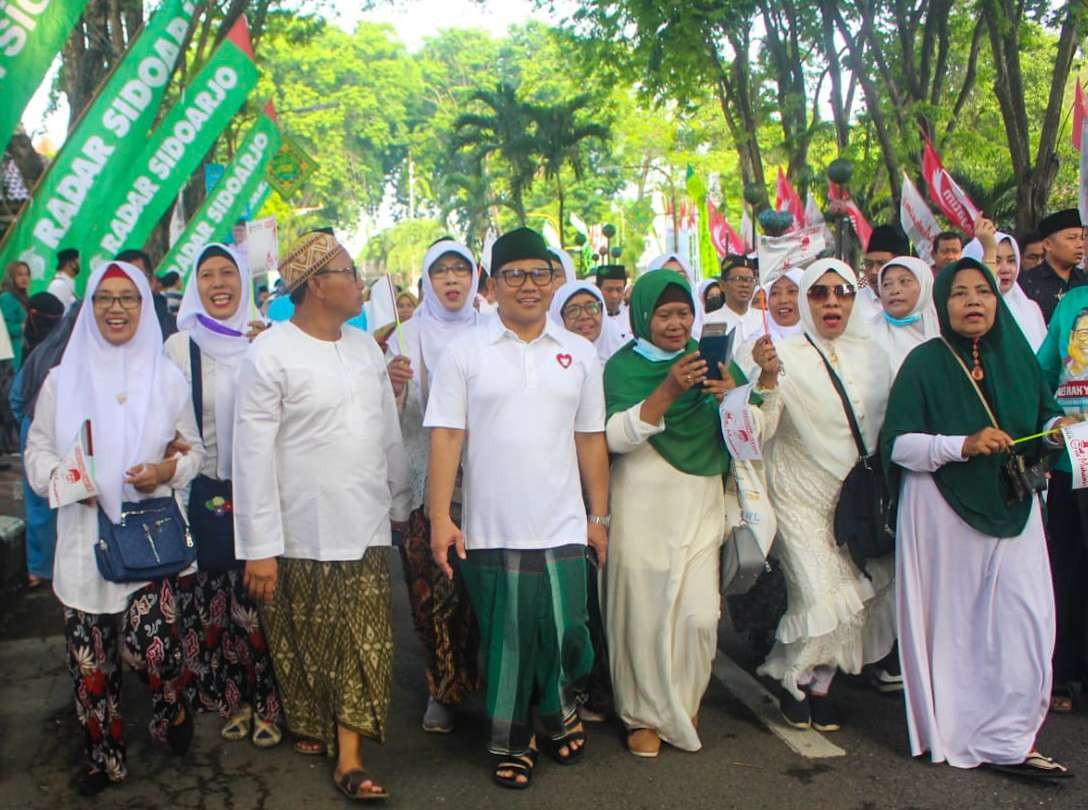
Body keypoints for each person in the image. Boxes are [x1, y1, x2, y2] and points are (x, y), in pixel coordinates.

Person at [424, 227, 609, 789]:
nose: (527, 286)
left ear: (555, 280)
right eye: (513, 275)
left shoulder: (578, 353)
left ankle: (555, 711)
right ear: (494, 284)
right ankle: (510, 735)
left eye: (538, 273)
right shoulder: (465, 352)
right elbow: (447, 437)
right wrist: (439, 518)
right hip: (492, 526)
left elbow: (590, 439)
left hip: (561, 524)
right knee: (507, 638)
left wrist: (597, 518)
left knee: (564, 630)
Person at [232, 230, 409, 801]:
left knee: (367, 641)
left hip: (365, 527)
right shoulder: (270, 352)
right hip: (301, 530)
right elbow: (252, 455)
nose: (361, 284)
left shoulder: (364, 349)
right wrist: (259, 546)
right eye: (350, 274)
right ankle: (324, 729)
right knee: (313, 643)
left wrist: (399, 504)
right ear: (315, 286)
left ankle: (351, 759)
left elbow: (384, 436)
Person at [883, 257, 1072, 778]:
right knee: (958, 629)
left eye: (982, 291)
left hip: (1014, 503)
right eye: (959, 293)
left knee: (1024, 620)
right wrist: (960, 445)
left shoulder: (1017, 358)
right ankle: (963, 731)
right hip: (943, 512)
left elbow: (1042, 412)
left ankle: (1011, 736)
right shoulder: (924, 363)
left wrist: (1058, 425)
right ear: (942, 304)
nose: (973, 301)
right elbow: (898, 444)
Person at [24, 262, 205, 796]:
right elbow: (36, 450)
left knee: (156, 649)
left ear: (145, 307)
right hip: (85, 540)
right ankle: (104, 758)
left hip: (151, 539)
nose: (117, 308)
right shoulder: (62, 380)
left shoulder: (166, 378)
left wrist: (165, 471)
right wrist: (62, 479)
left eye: (128, 298)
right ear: (90, 307)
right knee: (91, 663)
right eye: (105, 298)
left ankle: (169, 704)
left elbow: (193, 450)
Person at [601, 269, 742, 757]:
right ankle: (642, 714)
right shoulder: (622, 367)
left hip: (702, 501)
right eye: (663, 314)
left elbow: (753, 430)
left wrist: (737, 395)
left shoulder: (710, 361)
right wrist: (667, 390)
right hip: (641, 505)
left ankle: (682, 701)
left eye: (684, 313)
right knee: (642, 611)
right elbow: (614, 437)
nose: (676, 324)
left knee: (701, 617)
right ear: (643, 316)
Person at [755, 258, 896, 730]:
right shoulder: (783, 353)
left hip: (855, 502)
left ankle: (819, 684)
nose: (831, 302)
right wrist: (767, 380)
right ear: (804, 300)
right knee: (819, 595)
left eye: (842, 292)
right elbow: (760, 428)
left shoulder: (876, 356)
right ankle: (791, 678)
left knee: (857, 601)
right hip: (797, 496)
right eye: (819, 293)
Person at [164, 243, 282, 749]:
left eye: (227, 273)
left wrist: (270, 351)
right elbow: (172, 423)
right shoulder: (178, 347)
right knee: (214, 606)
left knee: (262, 604)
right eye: (207, 274)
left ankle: (272, 703)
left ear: (242, 282)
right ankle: (232, 698)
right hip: (207, 491)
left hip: (266, 488)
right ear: (195, 285)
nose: (218, 283)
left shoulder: (271, 340)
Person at [384, 239, 482, 735]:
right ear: (426, 280)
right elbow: (390, 423)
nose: (451, 280)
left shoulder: (494, 329)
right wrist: (395, 386)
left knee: (479, 592)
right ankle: (441, 688)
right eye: (440, 271)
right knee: (433, 593)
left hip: (486, 486)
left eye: (459, 271)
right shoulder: (406, 337)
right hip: (428, 488)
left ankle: (480, 679)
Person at [1036, 277, 1088, 715]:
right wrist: (1053, 423)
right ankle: (1066, 669)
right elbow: (1044, 373)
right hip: (1075, 460)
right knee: (1069, 571)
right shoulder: (1072, 303)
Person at [10, 292, 65, 588]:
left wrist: (29, 427)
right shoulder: (69, 348)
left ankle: (38, 569)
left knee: (38, 502)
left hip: (33, 430)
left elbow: (16, 399)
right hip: (62, 431)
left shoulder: (35, 353)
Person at [963, 232, 1047, 352]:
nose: (1006, 269)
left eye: (1011, 260)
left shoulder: (1031, 308)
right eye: (996, 261)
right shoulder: (969, 312)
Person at [869, 256, 940, 373]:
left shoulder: (944, 331)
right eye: (887, 284)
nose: (894, 290)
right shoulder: (867, 334)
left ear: (925, 286)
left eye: (904, 282)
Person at [1021, 209, 1086, 322]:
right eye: (1071, 238)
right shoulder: (1026, 283)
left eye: (1082, 238)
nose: (1080, 244)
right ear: (1047, 244)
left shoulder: (1084, 280)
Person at [549, 279, 628, 364]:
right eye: (573, 310)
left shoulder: (623, 359)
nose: (584, 316)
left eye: (592, 307)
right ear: (559, 319)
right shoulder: (550, 365)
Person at [115, 248, 177, 338]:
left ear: (152, 282)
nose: (129, 286)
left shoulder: (175, 332)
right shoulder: (102, 330)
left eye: (137, 277)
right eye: (122, 279)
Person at [705, 256, 763, 343]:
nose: (745, 285)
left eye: (750, 280)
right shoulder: (709, 322)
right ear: (723, 285)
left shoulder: (765, 319)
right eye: (738, 279)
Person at [860, 225, 909, 320]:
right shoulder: (854, 302)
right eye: (869, 264)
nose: (874, 271)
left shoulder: (916, 302)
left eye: (881, 263)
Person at [1, 260, 30, 367]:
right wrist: (22, 327)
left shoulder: (25, 299)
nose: (24, 278)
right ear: (12, 277)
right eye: (20, 275)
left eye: (27, 274)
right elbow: (4, 328)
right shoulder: (7, 297)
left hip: (23, 353)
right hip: (10, 357)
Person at [596, 264, 630, 342]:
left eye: (619, 290)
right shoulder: (592, 319)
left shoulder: (632, 315)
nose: (614, 295)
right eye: (609, 290)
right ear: (598, 289)